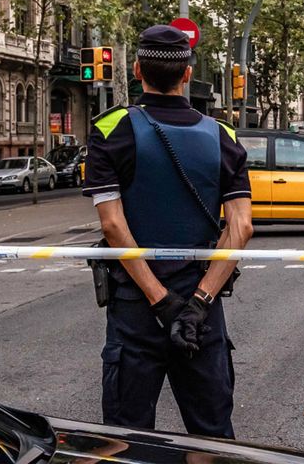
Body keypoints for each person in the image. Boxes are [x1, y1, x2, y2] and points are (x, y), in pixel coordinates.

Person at [83, 25, 253, 439]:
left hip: (136, 312)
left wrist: (162, 303)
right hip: (202, 314)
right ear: (188, 74)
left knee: (131, 439)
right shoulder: (223, 136)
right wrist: (196, 305)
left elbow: (113, 225)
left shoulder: (110, 130)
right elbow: (241, 227)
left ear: (137, 70)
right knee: (212, 436)